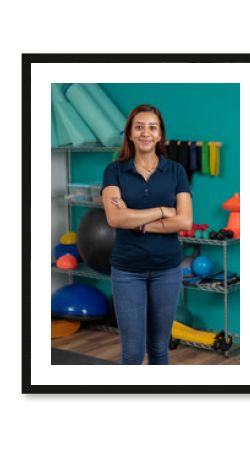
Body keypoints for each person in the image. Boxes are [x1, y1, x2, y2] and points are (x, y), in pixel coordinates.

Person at [101, 104, 193, 365]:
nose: (145, 133)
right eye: (139, 127)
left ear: (160, 135)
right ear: (130, 133)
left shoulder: (176, 171)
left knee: (159, 349)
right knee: (132, 353)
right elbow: (115, 217)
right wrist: (164, 210)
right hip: (127, 271)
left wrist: (138, 222)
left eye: (152, 127)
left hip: (167, 270)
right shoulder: (114, 171)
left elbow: (184, 220)